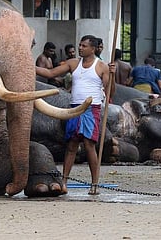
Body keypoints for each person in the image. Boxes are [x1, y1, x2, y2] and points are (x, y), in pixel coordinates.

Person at [36, 35, 116, 196]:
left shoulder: (101, 67)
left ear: (93, 49)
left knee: (89, 145)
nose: (80, 48)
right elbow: (50, 73)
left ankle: (94, 184)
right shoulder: (73, 63)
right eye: (79, 45)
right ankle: (64, 181)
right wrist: (27, 66)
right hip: (74, 108)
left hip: (91, 108)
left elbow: (110, 93)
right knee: (72, 145)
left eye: (84, 46)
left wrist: (112, 76)